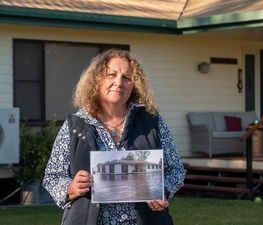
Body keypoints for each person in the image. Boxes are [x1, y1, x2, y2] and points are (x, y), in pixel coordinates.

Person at [43, 49, 185, 225]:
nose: (119, 83)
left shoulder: (152, 122)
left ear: (134, 85)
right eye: (111, 74)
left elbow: (176, 170)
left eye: (126, 77)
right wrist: (71, 188)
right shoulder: (75, 125)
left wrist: (162, 190)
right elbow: (52, 177)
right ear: (97, 80)